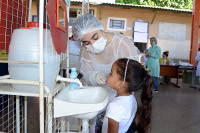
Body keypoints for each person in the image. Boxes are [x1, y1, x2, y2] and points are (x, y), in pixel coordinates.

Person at [72, 13, 140, 133]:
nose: (92, 44)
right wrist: (94, 76)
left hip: (121, 96)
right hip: (98, 95)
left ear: (100, 28)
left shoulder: (122, 44)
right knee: (95, 125)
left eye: (95, 37)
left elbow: (133, 72)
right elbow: (86, 72)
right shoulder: (85, 50)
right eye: (86, 43)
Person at [102, 58, 154, 133]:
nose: (107, 74)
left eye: (111, 73)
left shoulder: (115, 107)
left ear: (121, 83)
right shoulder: (131, 98)